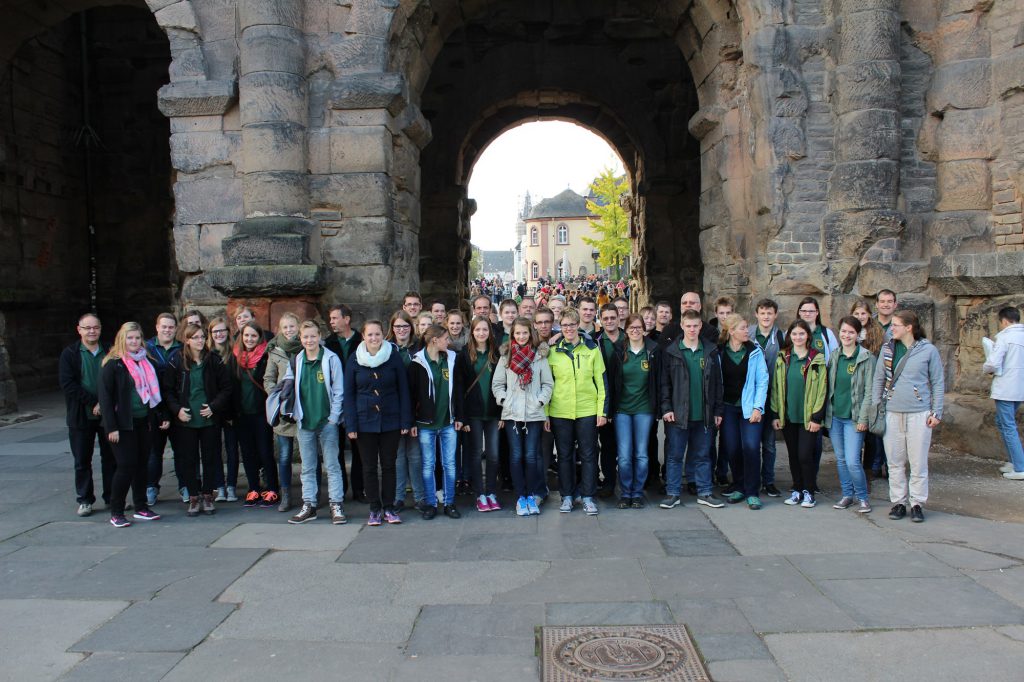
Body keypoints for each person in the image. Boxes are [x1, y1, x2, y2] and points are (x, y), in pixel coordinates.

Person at [872, 310, 944, 522]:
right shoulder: (887, 349)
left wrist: (936, 411)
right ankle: (898, 502)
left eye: (895, 325)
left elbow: (938, 382)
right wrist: (877, 406)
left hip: (918, 412)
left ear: (908, 327)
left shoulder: (928, 351)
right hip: (892, 411)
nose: (891, 328)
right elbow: (878, 379)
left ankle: (917, 502)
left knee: (918, 461)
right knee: (895, 460)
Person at [99, 322, 168, 527]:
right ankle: (116, 511)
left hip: (143, 421)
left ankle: (141, 507)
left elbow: (154, 393)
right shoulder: (113, 364)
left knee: (141, 465)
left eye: (137, 338)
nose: (134, 342)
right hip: (122, 425)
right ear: (122, 339)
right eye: (130, 338)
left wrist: (160, 415)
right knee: (126, 465)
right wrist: (111, 427)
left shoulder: (147, 361)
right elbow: (105, 398)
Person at [345, 320, 412, 525]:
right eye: (370, 335)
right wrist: (351, 425)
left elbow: (403, 389)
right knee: (369, 467)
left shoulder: (392, 357)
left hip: (391, 419)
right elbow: (349, 394)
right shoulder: (354, 360)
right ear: (363, 337)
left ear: (383, 335)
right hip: (364, 421)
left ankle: (389, 507)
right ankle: (374, 508)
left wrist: (405, 420)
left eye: (377, 334)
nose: (374, 338)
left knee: (390, 465)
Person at [162, 323, 232, 517]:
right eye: (196, 337)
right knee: (188, 460)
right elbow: (167, 390)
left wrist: (213, 406)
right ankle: (193, 496)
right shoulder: (176, 361)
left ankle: (208, 494)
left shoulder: (214, 361)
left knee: (211, 457)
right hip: (186, 420)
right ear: (187, 340)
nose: (200, 340)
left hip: (208, 419)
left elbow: (226, 388)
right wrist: (177, 410)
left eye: (202, 337)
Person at [659, 310, 724, 509]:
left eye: (695, 325)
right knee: (675, 456)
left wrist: (718, 411)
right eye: (688, 326)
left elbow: (717, 384)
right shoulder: (672, 351)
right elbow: (664, 383)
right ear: (682, 326)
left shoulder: (710, 350)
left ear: (700, 326)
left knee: (703, 455)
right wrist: (666, 407)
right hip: (678, 414)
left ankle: (705, 491)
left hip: (703, 413)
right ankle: (673, 493)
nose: (692, 329)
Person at [548, 308, 607, 515]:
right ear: (560, 327)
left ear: (577, 326)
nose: (569, 329)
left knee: (589, 455)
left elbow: (601, 382)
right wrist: (546, 413)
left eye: (572, 325)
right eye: (564, 325)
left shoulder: (592, 349)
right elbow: (548, 384)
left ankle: (588, 496)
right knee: (564, 456)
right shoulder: (553, 352)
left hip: (587, 409)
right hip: (560, 411)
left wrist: (602, 411)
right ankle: (567, 496)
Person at [288, 321, 346, 525]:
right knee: (307, 467)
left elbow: (339, 391)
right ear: (300, 339)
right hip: (305, 422)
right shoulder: (297, 360)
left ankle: (336, 504)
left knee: (332, 465)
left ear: (319, 336)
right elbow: (289, 387)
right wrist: (294, 412)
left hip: (326, 421)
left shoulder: (331, 359)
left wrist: (334, 418)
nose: (309, 340)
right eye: (305, 337)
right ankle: (309, 505)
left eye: (313, 336)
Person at [493, 316, 553, 516]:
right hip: (512, 414)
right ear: (512, 334)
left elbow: (548, 384)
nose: (521, 336)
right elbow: (498, 384)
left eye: (524, 333)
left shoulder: (539, 356)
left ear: (531, 333)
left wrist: (539, 401)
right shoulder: (506, 357)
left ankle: (532, 494)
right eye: (517, 333)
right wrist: (504, 400)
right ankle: (521, 496)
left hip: (534, 414)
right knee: (516, 455)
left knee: (531, 456)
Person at [59, 313, 114, 517]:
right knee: (82, 459)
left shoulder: (110, 351)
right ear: (79, 329)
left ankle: (111, 496)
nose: (92, 331)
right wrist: (94, 402)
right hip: (81, 416)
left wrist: (105, 403)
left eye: (96, 327)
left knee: (111, 458)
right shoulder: (70, 354)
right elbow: (68, 385)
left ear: (100, 329)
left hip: (107, 415)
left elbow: (119, 379)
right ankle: (85, 499)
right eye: (87, 328)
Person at [409, 324, 465, 519]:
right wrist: (411, 422)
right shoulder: (417, 363)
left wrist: (459, 417)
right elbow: (411, 395)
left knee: (450, 464)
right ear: (435, 340)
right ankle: (431, 503)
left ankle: (449, 503)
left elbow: (458, 390)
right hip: (426, 425)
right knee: (428, 464)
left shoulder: (451, 359)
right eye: (445, 339)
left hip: (448, 422)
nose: (448, 342)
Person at [770, 319, 827, 509]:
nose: (798, 337)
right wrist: (776, 414)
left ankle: (809, 491)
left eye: (801, 334)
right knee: (793, 455)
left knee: (805, 455)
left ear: (808, 336)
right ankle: (797, 489)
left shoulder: (816, 358)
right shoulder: (783, 357)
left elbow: (822, 390)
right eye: (794, 334)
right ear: (790, 336)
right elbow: (776, 388)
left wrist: (817, 416)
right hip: (788, 415)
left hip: (808, 417)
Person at [717, 314, 769, 510]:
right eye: (742, 328)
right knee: (732, 448)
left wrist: (758, 407)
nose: (747, 331)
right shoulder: (720, 352)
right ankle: (739, 486)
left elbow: (762, 380)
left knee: (751, 447)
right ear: (731, 331)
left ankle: (752, 491)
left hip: (750, 408)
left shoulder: (755, 352)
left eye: (747, 328)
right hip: (728, 407)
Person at [825, 317, 875, 513]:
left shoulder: (866, 357)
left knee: (853, 460)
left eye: (851, 332)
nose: (846, 335)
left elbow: (870, 391)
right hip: (835, 416)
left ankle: (862, 496)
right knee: (841, 459)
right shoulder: (835, 356)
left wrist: (864, 418)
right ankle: (847, 495)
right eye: (844, 331)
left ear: (858, 335)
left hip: (854, 418)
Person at [610, 314, 658, 509]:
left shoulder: (652, 351)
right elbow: (612, 382)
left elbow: (658, 380)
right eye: (632, 328)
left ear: (644, 329)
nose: (635, 331)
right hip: (622, 409)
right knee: (624, 454)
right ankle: (625, 492)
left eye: (639, 327)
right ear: (626, 330)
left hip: (644, 409)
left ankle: (637, 493)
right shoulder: (619, 351)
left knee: (641, 454)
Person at [228, 321, 278, 509]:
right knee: (247, 453)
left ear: (259, 338)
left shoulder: (266, 356)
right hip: (241, 413)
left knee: (265, 451)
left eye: (253, 336)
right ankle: (254, 488)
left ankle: (272, 488)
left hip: (261, 412)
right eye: (246, 335)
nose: (249, 339)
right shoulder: (234, 357)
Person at [460, 316, 502, 512]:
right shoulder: (464, 355)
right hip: (474, 414)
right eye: (478, 330)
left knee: (493, 454)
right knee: (476, 455)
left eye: (485, 330)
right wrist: (463, 416)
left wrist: (503, 413)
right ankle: (480, 494)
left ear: (490, 332)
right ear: (472, 332)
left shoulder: (497, 354)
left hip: (493, 413)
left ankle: (491, 491)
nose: (481, 333)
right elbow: (460, 388)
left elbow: (504, 384)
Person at [387, 311, 426, 512]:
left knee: (415, 456)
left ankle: (420, 497)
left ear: (411, 327)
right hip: (393, 410)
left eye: (405, 326)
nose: (401, 330)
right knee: (398, 456)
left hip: (415, 409)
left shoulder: (420, 347)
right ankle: (398, 497)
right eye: (397, 326)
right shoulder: (386, 349)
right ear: (392, 328)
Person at [325, 304, 364, 504]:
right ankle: (341, 488)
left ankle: (360, 488)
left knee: (359, 449)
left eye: (334, 318)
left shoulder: (362, 341)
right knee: (336, 448)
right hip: (334, 402)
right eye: (330, 318)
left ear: (346, 319)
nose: (331, 322)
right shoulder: (328, 343)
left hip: (358, 402)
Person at [263, 312, 302, 512]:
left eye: (292, 326)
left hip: (302, 408)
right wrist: (276, 396)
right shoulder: (274, 350)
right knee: (285, 456)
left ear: (298, 327)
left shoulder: (306, 345)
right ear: (280, 329)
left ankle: (309, 494)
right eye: (285, 327)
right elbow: (268, 377)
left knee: (308, 455)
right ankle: (286, 494)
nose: (289, 330)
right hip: (283, 411)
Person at [145, 312, 182, 506]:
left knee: (182, 450)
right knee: (154, 451)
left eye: (171, 327)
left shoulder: (182, 348)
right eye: (164, 326)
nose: (167, 330)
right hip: (154, 407)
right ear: (157, 327)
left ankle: (185, 486)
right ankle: (151, 487)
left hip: (177, 406)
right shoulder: (147, 348)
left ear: (176, 329)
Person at [984, 307, 1024, 480]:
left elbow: (992, 363)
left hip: (1006, 388)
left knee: (1007, 426)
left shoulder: (1005, 337)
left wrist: (986, 369)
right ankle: (1014, 460)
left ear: (1004, 321)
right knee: (1002, 422)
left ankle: (1020, 467)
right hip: (1019, 387)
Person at [850, 299, 887, 480]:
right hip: (853, 388)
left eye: (863, 313)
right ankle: (854, 468)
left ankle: (871, 468)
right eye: (856, 313)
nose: (860, 316)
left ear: (869, 315)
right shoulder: (848, 332)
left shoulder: (878, 334)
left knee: (871, 432)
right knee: (854, 430)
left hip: (871, 385)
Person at [753, 299, 785, 498]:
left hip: (772, 396)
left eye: (769, 313)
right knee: (751, 442)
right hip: (753, 396)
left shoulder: (781, 336)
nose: (766, 316)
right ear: (756, 314)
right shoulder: (748, 334)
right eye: (762, 313)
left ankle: (769, 480)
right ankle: (753, 479)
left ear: (775, 315)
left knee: (770, 444)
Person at [207, 316, 239, 502]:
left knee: (232, 449)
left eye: (222, 330)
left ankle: (232, 485)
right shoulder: (206, 354)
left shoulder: (234, 354)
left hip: (230, 411)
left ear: (228, 332)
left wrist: (231, 412)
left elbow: (235, 387)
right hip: (212, 410)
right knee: (214, 450)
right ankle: (219, 486)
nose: (219, 334)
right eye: (215, 331)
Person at [595, 303, 625, 497]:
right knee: (607, 444)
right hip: (605, 399)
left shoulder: (629, 337)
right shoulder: (595, 341)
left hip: (627, 399)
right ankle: (609, 481)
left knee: (626, 445)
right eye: (605, 318)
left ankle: (627, 481)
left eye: (612, 317)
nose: (609, 321)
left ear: (618, 317)